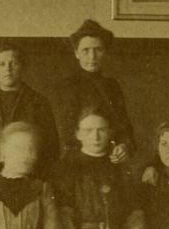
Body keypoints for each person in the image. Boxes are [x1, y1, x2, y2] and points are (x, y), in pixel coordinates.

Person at [54, 106, 147, 229]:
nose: (95, 137)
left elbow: (136, 218)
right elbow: (65, 226)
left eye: (101, 130)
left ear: (111, 132)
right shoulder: (66, 169)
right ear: (78, 134)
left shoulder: (121, 168)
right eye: (88, 131)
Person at [51, 19, 135, 162]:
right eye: (86, 50)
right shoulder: (66, 87)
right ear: (77, 53)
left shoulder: (112, 86)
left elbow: (123, 126)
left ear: (105, 52)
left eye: (98, 50)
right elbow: (65, 133)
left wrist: (124, 146)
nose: (92, 57)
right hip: (77, 160)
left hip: (109, 158)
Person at [0, 44, 61, 177]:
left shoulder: (38, 102)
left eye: (13, 63)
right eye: (2, 64)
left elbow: (51, 146)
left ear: (22, 67)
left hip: (27, 173)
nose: (8, 69)